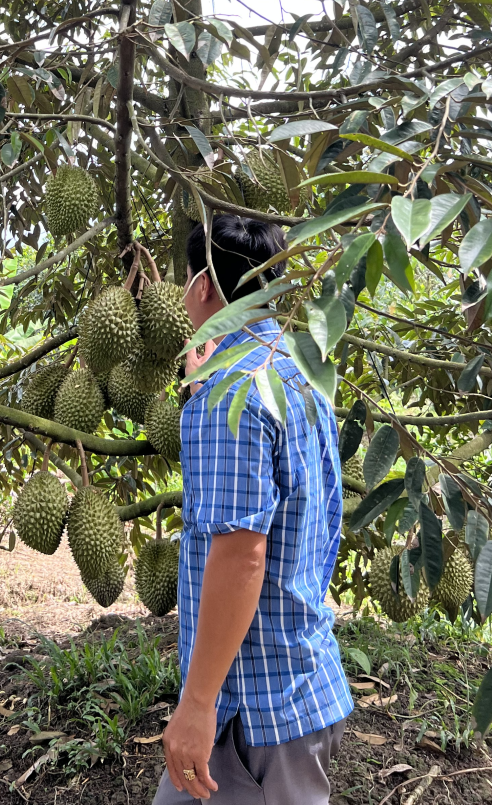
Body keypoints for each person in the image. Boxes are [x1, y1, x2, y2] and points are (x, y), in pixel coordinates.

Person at [154, 216, 354, 805]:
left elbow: (242, 555)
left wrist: (196, 704)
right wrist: (203, 385)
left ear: (205, 288)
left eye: (187, 277)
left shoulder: (227, 399)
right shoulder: (302, 375)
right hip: (300, 683)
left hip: (252, 712)